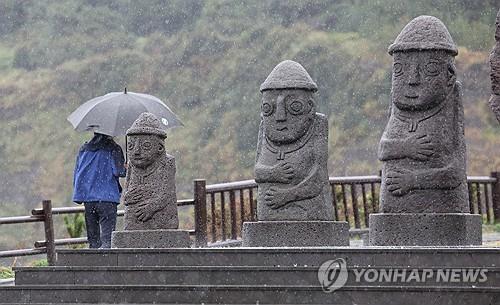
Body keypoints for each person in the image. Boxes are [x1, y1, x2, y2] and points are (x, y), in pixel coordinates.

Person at [72, 133, 126, 248]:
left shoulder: (84, 149)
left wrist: (78, 194)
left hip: (89, 199)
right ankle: (107, 264)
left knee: (93, 242)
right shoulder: (113, 148)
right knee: (107, 241)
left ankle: (93, 264)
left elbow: (78, 172)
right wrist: (126, 165)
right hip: (107, 198)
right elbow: (120, 172)